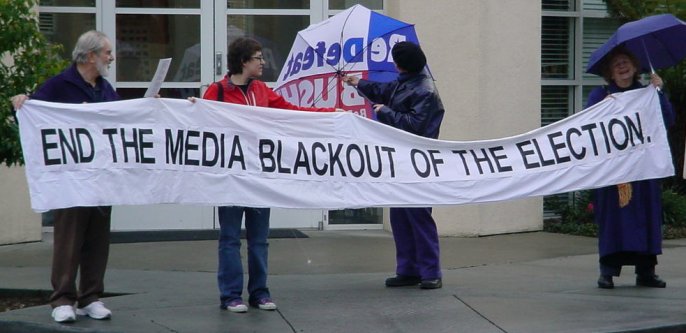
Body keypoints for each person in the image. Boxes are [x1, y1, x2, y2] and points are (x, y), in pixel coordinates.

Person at [201, 37, 338, 313]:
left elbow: (291, 113)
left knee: (259, 238)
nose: (262, 62)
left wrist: (330, 115)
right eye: (257, 57)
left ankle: (260, 292)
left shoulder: (262, 90)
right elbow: (197, 123)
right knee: (229, 237)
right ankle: (230, 295)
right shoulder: (216, 92)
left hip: (259, 176)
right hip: (230, 177)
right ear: (243, 62)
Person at [11, 30, 118, 322]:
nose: (111, 57)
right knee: (68, 239)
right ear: (91, 55)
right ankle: (62, 298)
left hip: (100, 178)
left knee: (98, 240)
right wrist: (23, 101)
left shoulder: (105, 88)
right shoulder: (60, 85)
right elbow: (35, 109)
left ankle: (91, 296)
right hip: (70, 179)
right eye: (107, 52)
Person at [343, 41, 446, 289]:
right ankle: (408, 270)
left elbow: (415, 126)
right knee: (400, 216)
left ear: (400, 64)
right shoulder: (410, 81)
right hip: (400, 159)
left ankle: (431, 272)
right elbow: (385, 90)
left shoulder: (424, 90)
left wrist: (384, 112)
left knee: (418, 216)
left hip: (419, 162)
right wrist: (358, 82)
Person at [586, 47, 674, 289]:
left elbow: (667, 120)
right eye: (617, 65)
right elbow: (587, 127)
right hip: (613, 173)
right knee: (613, 220)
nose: (622, 67)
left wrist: (660, 91)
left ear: (636, 68)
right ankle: (608, 271)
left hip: (643, 170)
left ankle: (646, 271)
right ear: (610, 73)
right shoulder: (600, 96)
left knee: (645, 217)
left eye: (626, 62)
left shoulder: (647, 93)